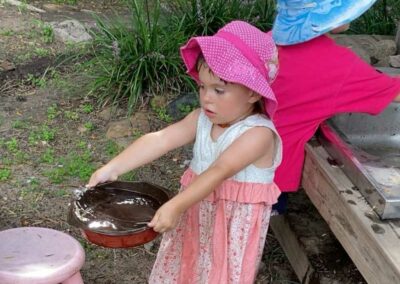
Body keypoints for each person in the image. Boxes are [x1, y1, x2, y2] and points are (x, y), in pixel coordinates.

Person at [87, 21, 282, 283]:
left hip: (231, 227)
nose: (206, 98)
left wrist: (175, 205)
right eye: (202, 87)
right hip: (197, 213)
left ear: (252, 93)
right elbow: (161, 139)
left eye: (218, 90)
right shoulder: (201, 119)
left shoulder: (258, 134)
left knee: (219, 273)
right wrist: (113, 167)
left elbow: (219, 171)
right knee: (190, 266)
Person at [269, 0, 400, 214]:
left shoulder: (268, 40)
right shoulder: (340, 66)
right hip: (271, 174)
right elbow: (394, 92)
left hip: (235, 156)